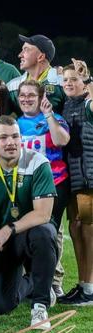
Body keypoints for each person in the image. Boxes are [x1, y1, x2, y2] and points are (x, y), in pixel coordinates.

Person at [0, 115, 57, 329]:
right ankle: (34, 282)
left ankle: (40, 305)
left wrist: (9, 229)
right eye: (3, 137)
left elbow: (43, 214)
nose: (11, 143)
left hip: (27, 236)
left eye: (15, 137)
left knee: (45, 232)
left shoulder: (38, 162)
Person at [16, 79, 70, 298]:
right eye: (22, 96)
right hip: (26, 188)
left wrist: (49, 116)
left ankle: (52, 281)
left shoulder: (54, 119)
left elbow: (61, 141)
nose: (26, 99)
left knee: (50, 233)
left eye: (31, 95)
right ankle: (31, 279)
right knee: (28, 232)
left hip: (55, 184)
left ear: (41, 98)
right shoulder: (15, 124)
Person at [61, 60, 93, 305]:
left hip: (88, 181)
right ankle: (83, 285)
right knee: (75, 227)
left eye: (75, 79)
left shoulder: (88, 104)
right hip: (73, 181)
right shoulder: (66, 105)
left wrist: (90, 79)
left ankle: (89, 288)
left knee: (87, 230)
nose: (70, 83)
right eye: (66, 80)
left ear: (84, 83)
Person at [8, 34, 66, 114]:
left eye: (26, 49)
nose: (20, 55)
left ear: (41, 57)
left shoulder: (63, 83)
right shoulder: (13, 87)